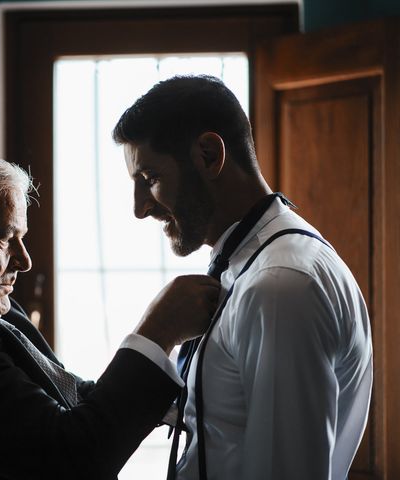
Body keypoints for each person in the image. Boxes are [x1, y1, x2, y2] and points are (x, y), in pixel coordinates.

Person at [0, 145, 220, 480]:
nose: (25, 260)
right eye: (3, 238)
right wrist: (156, 333)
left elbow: (71, 398)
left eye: (22, 238)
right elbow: (70, 459)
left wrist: (189, 395)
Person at [112, 75, 372, 480]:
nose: (140, 208)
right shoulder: (249, 265)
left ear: (208, 154)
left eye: (150, 179)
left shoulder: (281, 286)